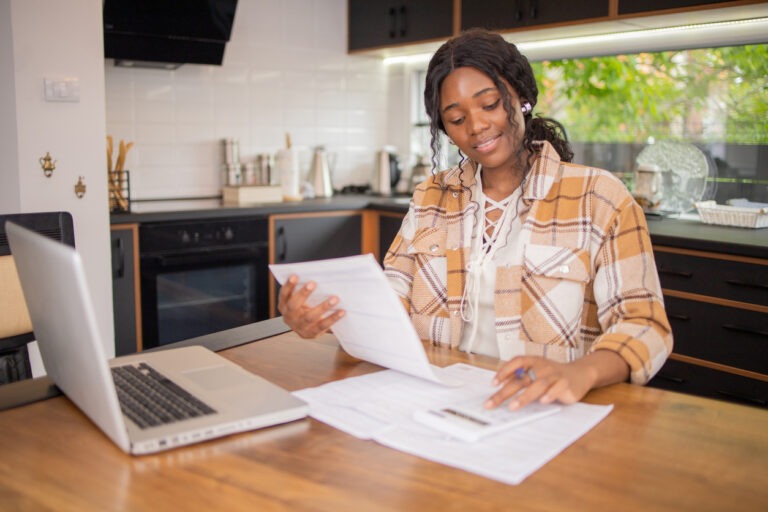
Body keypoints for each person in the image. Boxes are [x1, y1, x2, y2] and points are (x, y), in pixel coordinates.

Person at [278, 28, 672, 412]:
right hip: (439, 404)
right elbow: (390, 304)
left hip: (546, 410)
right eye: (456, 118)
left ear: (522, 98)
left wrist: (580, 373)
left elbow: (644, 324)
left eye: (490, 104)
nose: (476, 126)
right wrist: (325, 316)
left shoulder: (598, 196)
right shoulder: (430, 197)